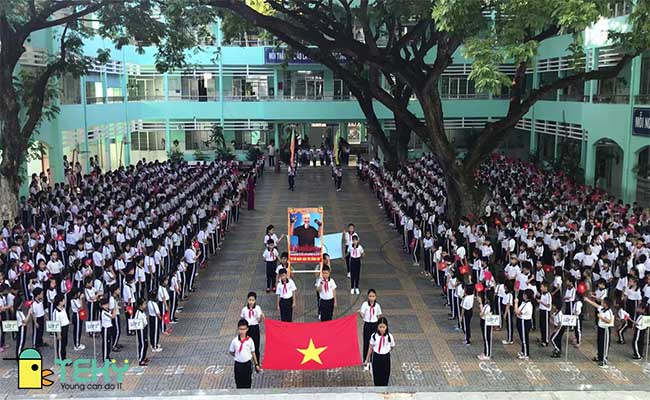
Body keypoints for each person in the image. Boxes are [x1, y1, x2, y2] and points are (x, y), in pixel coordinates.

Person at [229, 319, 260, 389]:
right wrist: (237, 355)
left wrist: (256, 364)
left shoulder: (250, 340)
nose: (242, 331)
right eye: (240, 329)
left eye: (244, 329)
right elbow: (231, 351)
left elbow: (253, 352)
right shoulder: (235, 341)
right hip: (238, 364)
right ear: (238, 329)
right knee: (239, 383)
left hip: (247, 364)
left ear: (247, 329)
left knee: (248, 382)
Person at [584, 296, 614, 368]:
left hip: (605, 329)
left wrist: (601, 318)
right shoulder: (602, 309)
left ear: (606, 304)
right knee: (599, 342)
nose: (601, 302)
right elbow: (596, 305)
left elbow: (609, 321)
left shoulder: (609, 311)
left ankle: (604, 360)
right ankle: (599, 356)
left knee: (605, 344)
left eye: (603, 302)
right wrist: (588, 300)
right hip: (600, 328)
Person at [364, 316, 394, 386]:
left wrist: (387, 351)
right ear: (377, 327)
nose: (382, 329)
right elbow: (370, 348)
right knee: (377, 376)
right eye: (380, 327)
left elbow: (392, 346)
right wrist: (366, 359)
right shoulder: (374, 336)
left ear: (386, 327)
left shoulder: (389, 336)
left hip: (386, 357)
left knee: (385, 376)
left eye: (383, 327)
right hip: (377, 357)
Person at [359, 289, 382, 362]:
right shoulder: (365, 304)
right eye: (370, 296)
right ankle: (365, 359)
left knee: (374, 342)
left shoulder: (377, 306)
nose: (371, 298)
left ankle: (372, 359)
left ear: (375, 297)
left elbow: (379, 315)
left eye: (373, 296)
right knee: (366, 342)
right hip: (367, 324)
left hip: (374, 325)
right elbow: (362, 315)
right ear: (368, 297)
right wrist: (360, 313)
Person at [240, 292, 264, 362]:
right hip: (247, 329)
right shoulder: (244, 309)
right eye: (250, 300)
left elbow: (259, 320)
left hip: (255, 328)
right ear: (247, 300)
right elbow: (242, 319)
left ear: (255, 300)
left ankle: (257, 362)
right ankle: (248, 361)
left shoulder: (257, 308)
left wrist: (261, 317)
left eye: (252, 300)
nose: (251, 302)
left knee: (256, 346)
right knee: (247, 346)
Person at [514, 288, 533, 359]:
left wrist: (516, 303)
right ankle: (523, 351)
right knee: (522, 338)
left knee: (524, 338)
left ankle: (526, 354)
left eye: (524, 294)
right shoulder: (523, 302)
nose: (523, 295)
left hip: (524, 322)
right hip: (520, 320)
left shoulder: (528, 305)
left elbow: (517, 312)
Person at [52, 294, 70, 360]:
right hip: (61, 329)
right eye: (63, 300)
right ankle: (60, 359)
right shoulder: (56, 312)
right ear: (60, 302)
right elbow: (57, 324)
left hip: (65, 328)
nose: (65, 301)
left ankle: (64, 357)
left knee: (64, 344)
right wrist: (58, 334)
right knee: (61, 345)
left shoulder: (63, 308)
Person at [478, 291, 493, 360]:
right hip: (484, 321)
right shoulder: (487, 305)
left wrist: (480, 303)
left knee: (486, 338)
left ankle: (487, 354)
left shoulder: (488, 307)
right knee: (485, 337)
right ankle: (485, 351)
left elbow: (481, 314)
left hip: (485, 322)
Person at [100, 297, 115, 363]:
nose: (108, 305)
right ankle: (105, 358)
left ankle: (108, 356)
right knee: (106, 344)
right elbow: (112, 316)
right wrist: (115, 309)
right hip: (105, 329)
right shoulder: (103, 312)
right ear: (103, 305)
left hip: (109, 328)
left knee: (108, 343)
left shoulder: (107, 310)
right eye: (106, 304)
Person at [134, 298, 149, 366]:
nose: (145, 305)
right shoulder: (138, 313)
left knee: (145, 343)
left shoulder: (142, 312)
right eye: (144, 304)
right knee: (143, 344)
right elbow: (135, 321)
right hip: (141, 330)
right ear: (140, 305)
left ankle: (143, 356)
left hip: (144, 328)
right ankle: (141, 359)